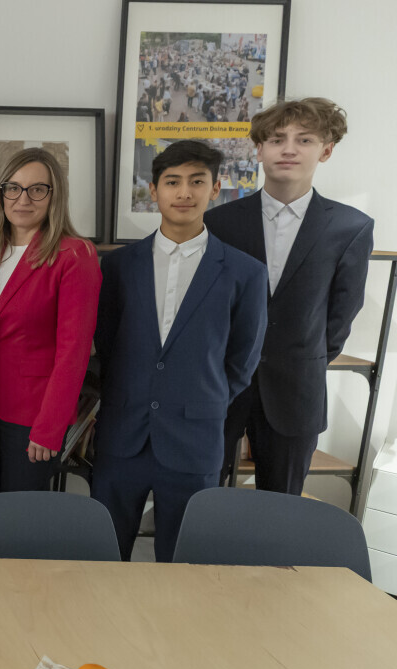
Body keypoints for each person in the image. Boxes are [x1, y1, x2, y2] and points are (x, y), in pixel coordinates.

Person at [93, 140, 267, 562]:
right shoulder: (117, 266)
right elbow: (106, 344)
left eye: (196, 181)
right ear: (154, 190)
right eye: (172, 182)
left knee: (183, 565)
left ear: (216, 188)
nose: (184, 192)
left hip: (195, 439)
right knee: (101, 556)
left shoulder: (245, 272)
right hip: (123, 435)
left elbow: (242, 360)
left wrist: (202, 399)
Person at [205, 98, 373, 496]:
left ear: (326, 151)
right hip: (218, 384)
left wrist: (299, 357)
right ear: (259, 149)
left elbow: (340, 317)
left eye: (305, 140)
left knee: (280, 506)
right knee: (201, 494)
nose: (289, 149)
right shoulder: (218, 222)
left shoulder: (350, 227)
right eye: (277, 139)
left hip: (296, 389)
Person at [0, 148, 101, 495]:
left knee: (19, 514)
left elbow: (74, 352)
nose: (23, 199)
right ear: (1, 193)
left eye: (37, 189)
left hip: (32, 415)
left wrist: (50, 426)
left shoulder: (75, 255)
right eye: (13, 188)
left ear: (55, 196)